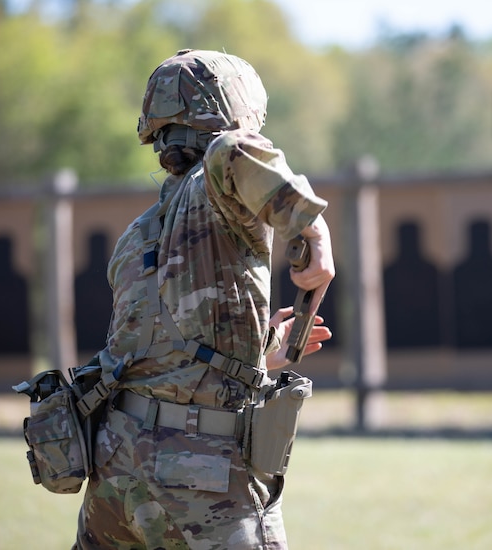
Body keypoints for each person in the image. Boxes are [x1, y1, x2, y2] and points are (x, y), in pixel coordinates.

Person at [73, 49, 335, 549]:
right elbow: (234, 150)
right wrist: (314, 233)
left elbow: (153, 358)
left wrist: (259, 354)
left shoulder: (135, 236)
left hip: (116, 477)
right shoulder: (220, 177)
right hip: (202, 475)